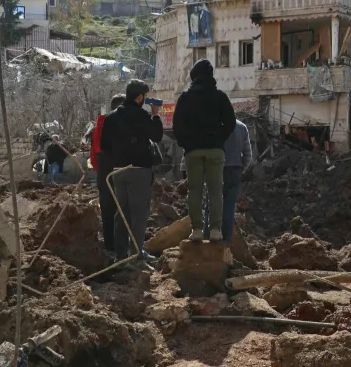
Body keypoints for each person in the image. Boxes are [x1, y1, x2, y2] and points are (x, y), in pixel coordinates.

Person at [100, 79, 163, 267]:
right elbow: (157, 136)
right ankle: (137, 255)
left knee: (121, 213)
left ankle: (121, 256)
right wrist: (156, 115)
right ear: (139, 97)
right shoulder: (142, 116)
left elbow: (104, 146)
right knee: (139, 215)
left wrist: (119, 158)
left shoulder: (110, 118)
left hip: (118, 171)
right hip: (139, 170)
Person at [173, 59, 236, 242]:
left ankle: (197, 230)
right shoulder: (220, 97)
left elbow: (177, 125)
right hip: (215, 151)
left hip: (193, 151)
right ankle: (216, 230)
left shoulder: (185, 98)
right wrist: (218, 139)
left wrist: (187, 143)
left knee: (195, 190)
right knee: (216, 190)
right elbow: (231, 123)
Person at [203, 119, 251, 244]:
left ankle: (208, 237)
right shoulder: (242, 127)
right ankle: (226, 239)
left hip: (216, 168)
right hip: (235, 169)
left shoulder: (214, 125)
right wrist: (241, 168)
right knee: (229, 206)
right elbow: (248, 154)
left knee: (212, 203)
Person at [91, 94, 125, 257]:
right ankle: (121, 246)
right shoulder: (119, 124)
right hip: (117, 169)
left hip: (103, 171)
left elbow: (94, 154)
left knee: (107, 209)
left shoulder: (98, 126)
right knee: (122, 208)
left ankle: (109, 245)